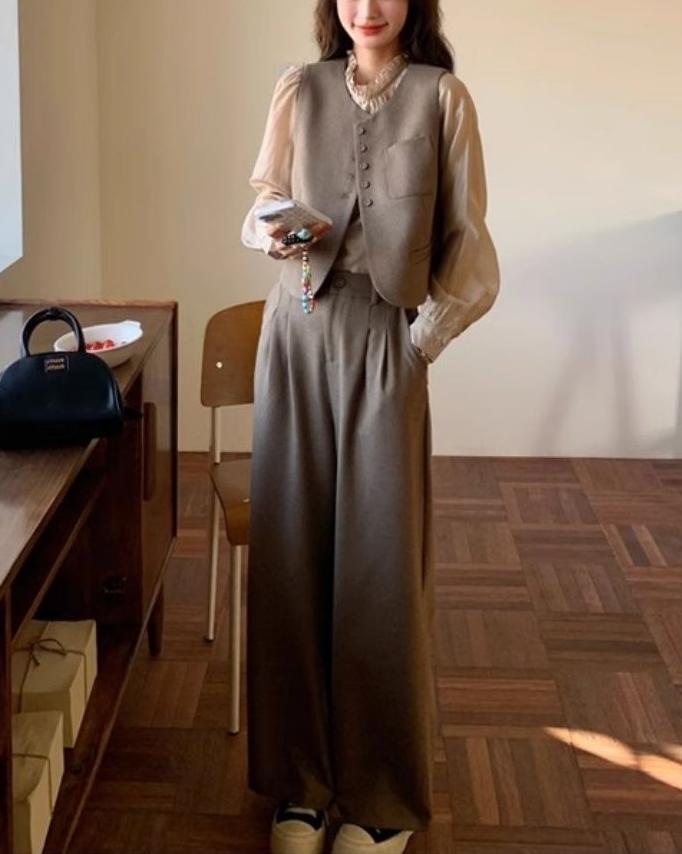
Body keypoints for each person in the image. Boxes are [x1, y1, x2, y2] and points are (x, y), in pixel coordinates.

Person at [240, 1, 500, 852]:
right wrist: (275, 233)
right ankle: (300, 784)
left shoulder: (442, 99)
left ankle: (381, 796)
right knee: (289, 555)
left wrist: (418, 345)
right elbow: (262, 203)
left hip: (386, 341)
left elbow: (469, 245)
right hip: (294, 337)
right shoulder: (300, 88)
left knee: (380, 567)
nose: (368, 7)